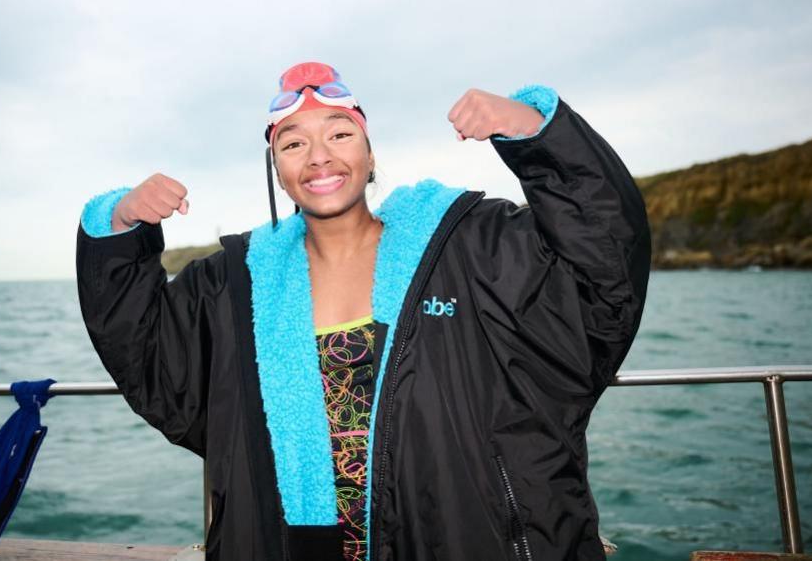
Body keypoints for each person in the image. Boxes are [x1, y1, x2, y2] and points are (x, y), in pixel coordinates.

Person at [76, 61, 651, 561]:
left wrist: (535, 132)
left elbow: (602, 272)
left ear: (371, 151)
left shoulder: (466, 246)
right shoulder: (232, 284)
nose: (318, 157)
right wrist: (121, 225)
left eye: (339, 132)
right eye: (293, 143)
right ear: (276, 166)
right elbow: (145, 353)